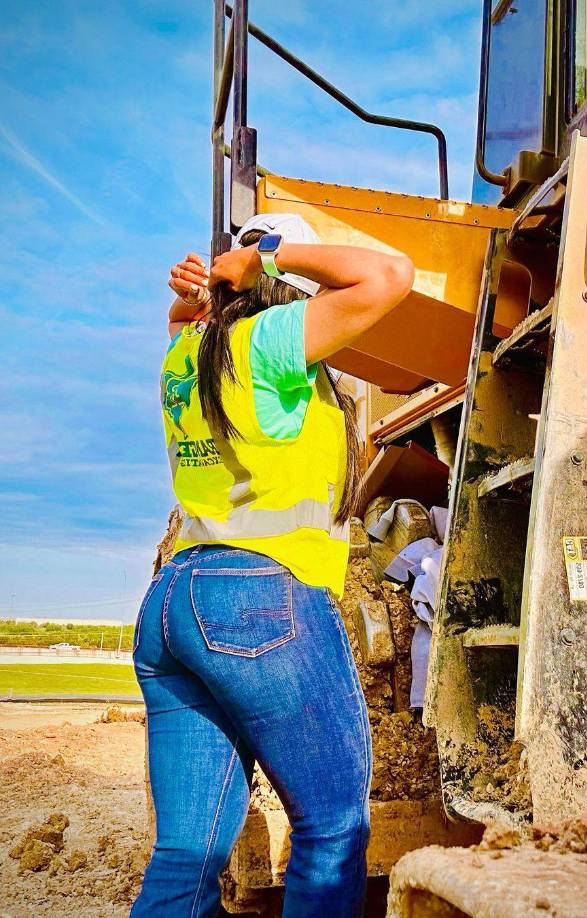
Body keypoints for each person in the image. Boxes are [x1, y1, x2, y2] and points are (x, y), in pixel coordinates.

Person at [131, 213, 414, 917]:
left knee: (188, 852)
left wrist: (192, 295)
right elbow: (389, 276)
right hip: (261, 602)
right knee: (332, 827)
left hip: (175, 601)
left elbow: (179, 321)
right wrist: (275, 255)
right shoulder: (270, 345)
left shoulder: (185, 357)